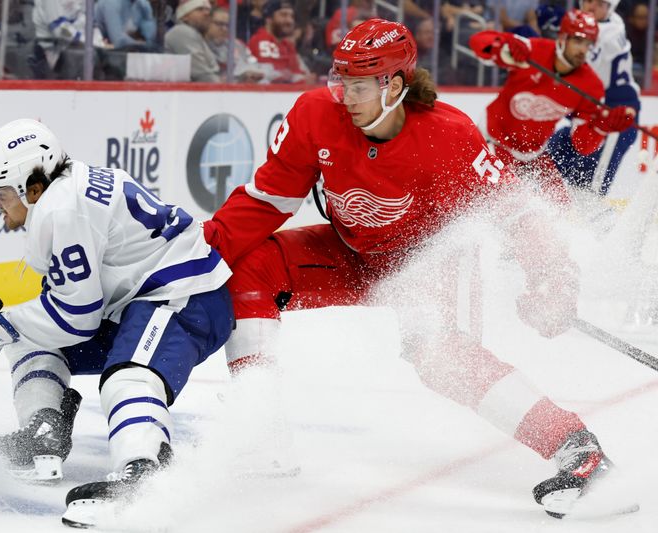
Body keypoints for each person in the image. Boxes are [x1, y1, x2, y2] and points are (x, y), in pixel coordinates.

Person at [203, 18, 635, 518]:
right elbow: (267, 199)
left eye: (359, 83)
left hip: (425, 262)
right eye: (339, 79)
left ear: (395, 85)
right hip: (350, 252)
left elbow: (517, 210)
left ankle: (578, 449)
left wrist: (552, 278)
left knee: (437, 357)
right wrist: (200, 254)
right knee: (251, 265)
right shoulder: (315, 112)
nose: (344, 94)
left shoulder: (449, 136)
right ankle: (260, 432)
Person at [0, 119, 234, 528]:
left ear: (32, 186)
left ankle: (144, 472)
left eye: (3, 193)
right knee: (28, 336)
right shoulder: (63, 190)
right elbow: (68, 308)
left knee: (127, 379)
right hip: (141, 300)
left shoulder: (60, 209)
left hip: (184, 296)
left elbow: (76, 318)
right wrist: (5, 327)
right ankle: (43, 430)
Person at [469, 9, 635, 200]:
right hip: (493, 143)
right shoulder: (533, 50)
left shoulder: (591, 85)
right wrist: (502, 44)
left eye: (588, 44)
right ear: (563, 38)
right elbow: (478, 42)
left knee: (561, 208)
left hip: (534, 154)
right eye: (578, 41)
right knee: (500, 202)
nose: (583, 49)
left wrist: (601, 127)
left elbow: (582, 145)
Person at [546, 0, 641, 196]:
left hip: (616, 119)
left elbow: (574, 72)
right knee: (549, 163)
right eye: (588, 1)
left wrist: (554, 32)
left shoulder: (605, 37)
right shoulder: (614, 21)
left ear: (610, 8)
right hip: (590, 114)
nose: (591, 7)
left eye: (599, 4)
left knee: (589, 190)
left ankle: (595, 223)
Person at [247, 0, 315, 83]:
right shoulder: (260, 41)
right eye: (283, 15)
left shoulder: (288, 45)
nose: (290, 21)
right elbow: (271, 76)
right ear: (269, 19)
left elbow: (299, 73)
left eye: (292, 16)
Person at [164, 0, 221, 82]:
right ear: (184, 16)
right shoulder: (182, 32)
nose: (207, 13)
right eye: (200, 9)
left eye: (208, 10)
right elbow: (203, 76)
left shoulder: (197, 36)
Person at [205, 6, 264, 82]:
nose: (224, 29)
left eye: (228, 25)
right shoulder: (199, 45)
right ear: (207, 23)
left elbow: (254, 65)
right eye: (219, 24)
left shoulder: (237, 45)